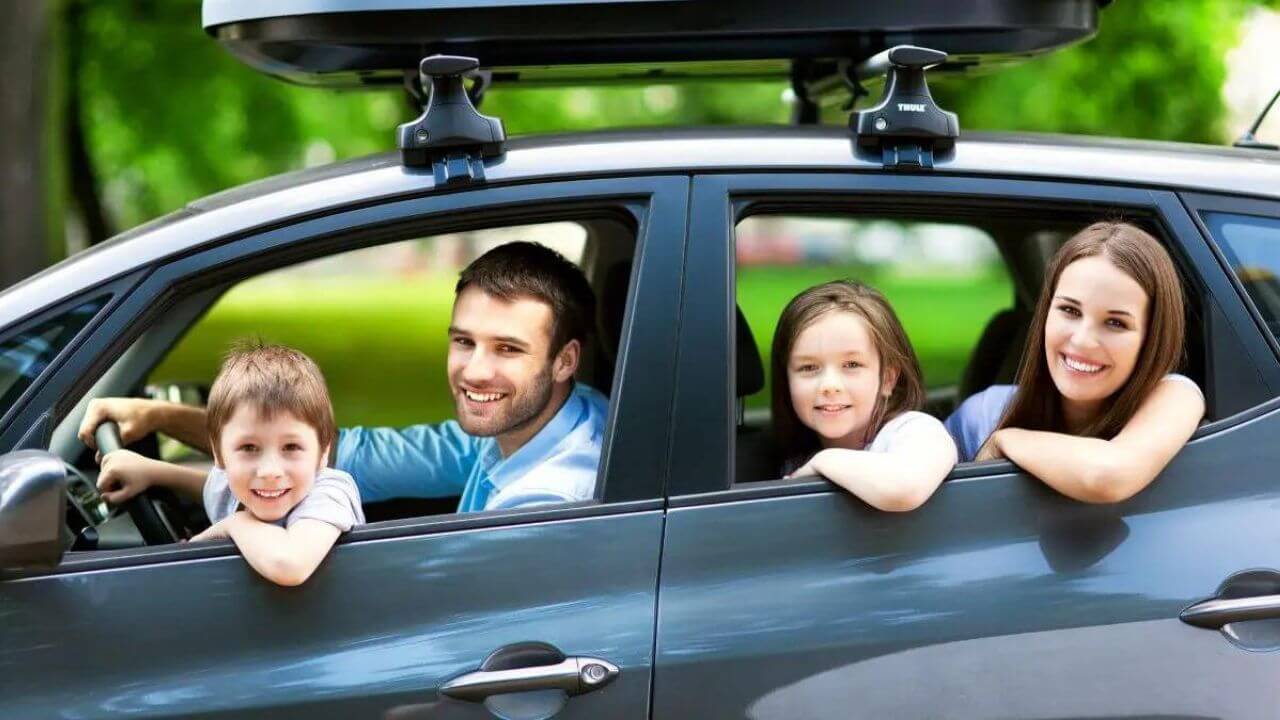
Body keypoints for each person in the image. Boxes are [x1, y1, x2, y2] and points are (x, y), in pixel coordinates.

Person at [81, 241, 608, 513]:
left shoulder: (545, 501)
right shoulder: (542, 418)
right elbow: (336, 457)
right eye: (463, 341)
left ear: (564, 360)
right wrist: (158, 418)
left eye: (508, 349)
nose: (474, 370)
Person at [945, 221, 1205, 503]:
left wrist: (1004, 440)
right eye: (1069, 310)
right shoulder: (984, 414)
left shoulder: (1176, 396)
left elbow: (1107, 476)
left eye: (1116, 323)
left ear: (1151, 336)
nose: (1082, 341)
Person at [96, 342, 364, 586]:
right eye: (249, 448)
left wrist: (232, 525)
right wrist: (153, 471)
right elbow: (215, 486)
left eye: (291, 447)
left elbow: (290, 565)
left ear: (323, 452)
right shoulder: (232, 485)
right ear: (219, 453)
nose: (269, 471)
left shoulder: (330, 494)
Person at [772, 280, 958, 511]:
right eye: (808, 367)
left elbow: (904, 489)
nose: (829, 385)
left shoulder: (915, 431)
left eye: (851, 364)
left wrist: (825, 461)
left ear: (888, 379)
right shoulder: (791, 455)